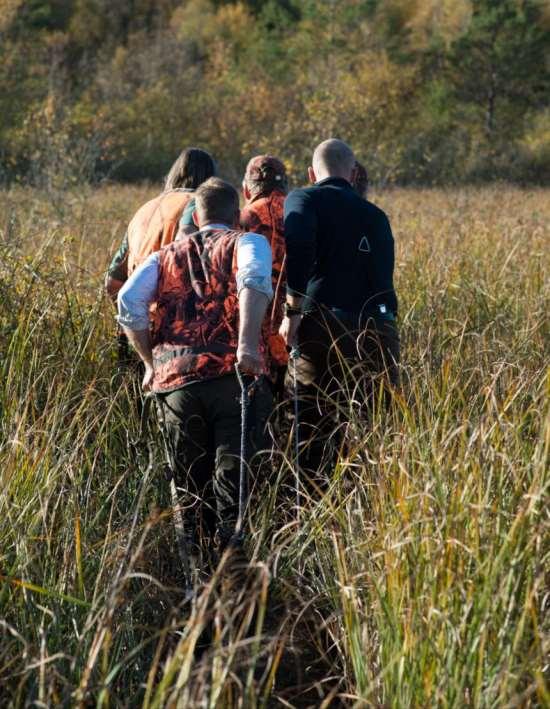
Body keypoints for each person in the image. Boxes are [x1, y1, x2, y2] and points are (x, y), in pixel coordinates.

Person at [117, 177, 273, 555]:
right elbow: (254, 281)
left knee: (188, 485)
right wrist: (247, 346)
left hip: (175, 383)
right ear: (236, 215)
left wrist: (149, 364)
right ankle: (233, 572)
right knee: (233, 478)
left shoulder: (164, 255)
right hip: (232, 376)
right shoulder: (248, 241)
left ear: (197, 215)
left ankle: (195, 580)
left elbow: (127, 300)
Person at [279, 138, 399, 482]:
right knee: (374, 427)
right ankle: (370, 506)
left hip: (323, 326)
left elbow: (299, 244)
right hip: (380, 329)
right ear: (354, 171)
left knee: (308, 425)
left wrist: (293, 311)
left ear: (310, 172)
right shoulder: (377, 216)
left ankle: (310, 508)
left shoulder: (303, 198)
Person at [105, 147, 216, 304]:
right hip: (176, 317)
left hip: (140, 316)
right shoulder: (196, 203)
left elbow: (112, 282)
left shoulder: (143, 209)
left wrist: (133, 319)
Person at [240, 155, 288, 394]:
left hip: (254, 333)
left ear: (246, 189)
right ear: (285, 185)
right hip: (296, 330)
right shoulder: (299, 209)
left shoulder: (243, 218)